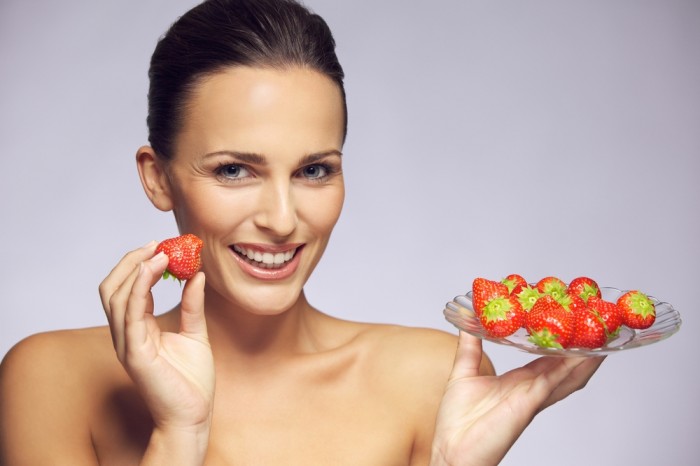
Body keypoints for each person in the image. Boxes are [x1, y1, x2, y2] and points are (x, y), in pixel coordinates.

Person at [0, 0, 604, 464]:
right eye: (234, 170)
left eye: (314, 170)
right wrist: (180, 435)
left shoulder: (432, 375)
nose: (284, 219)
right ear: (158, 179)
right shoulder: (52, 379)